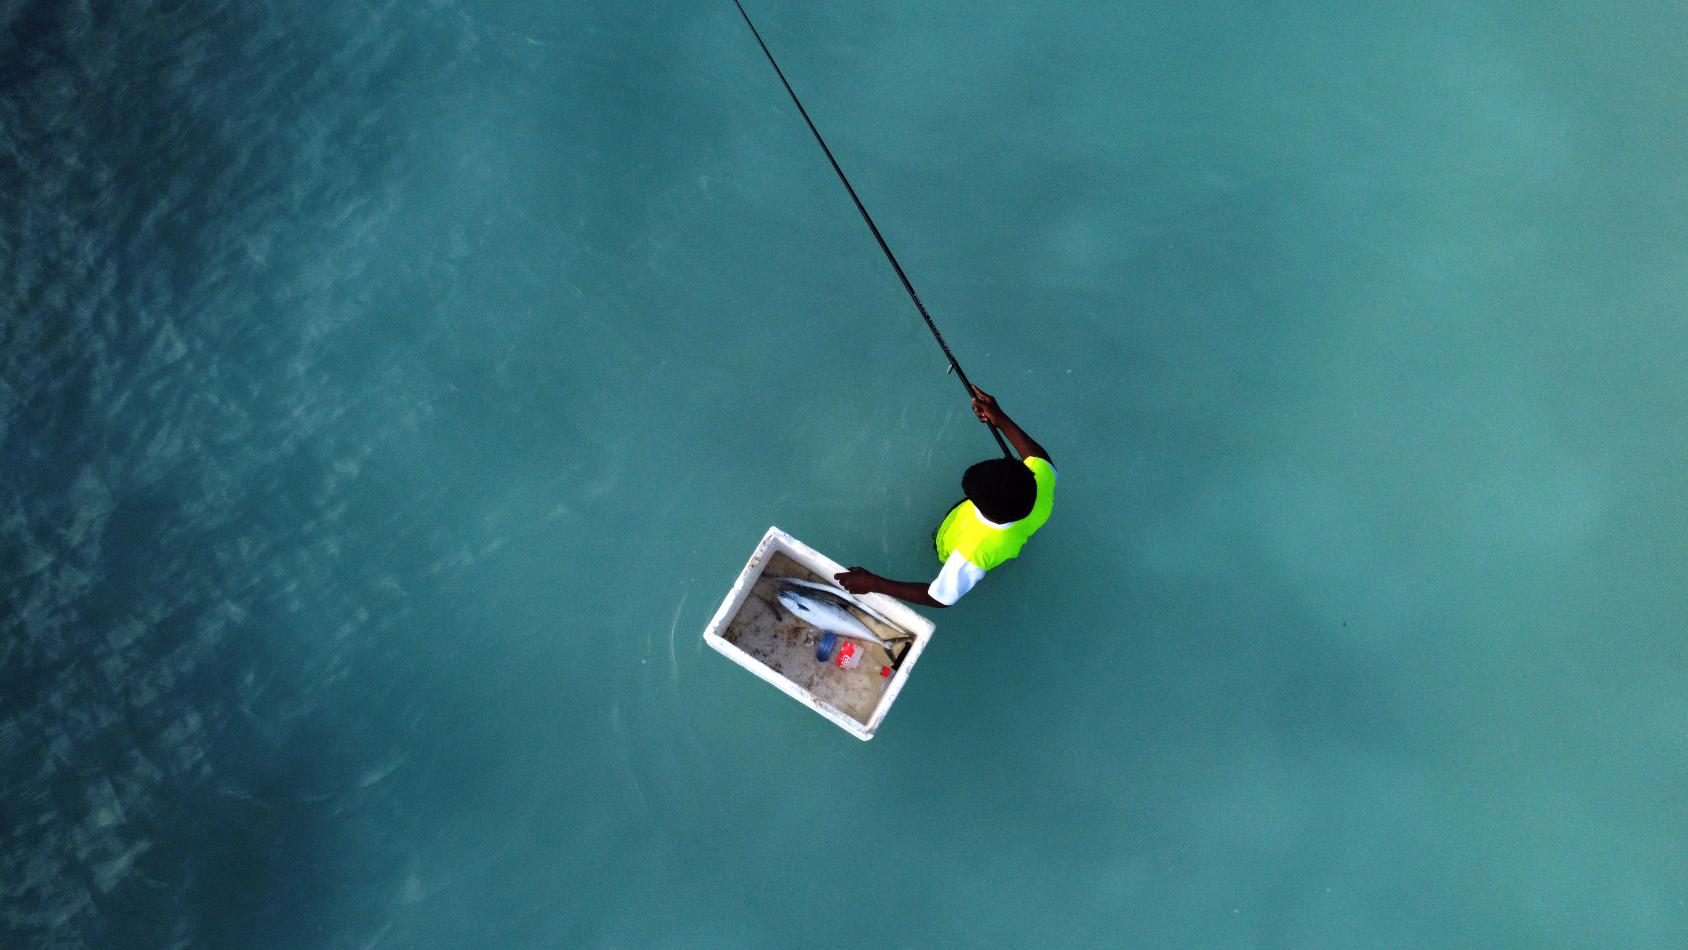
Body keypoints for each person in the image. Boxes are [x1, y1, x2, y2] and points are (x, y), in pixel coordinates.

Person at [835, 386, 1055, 608]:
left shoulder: (972, 552)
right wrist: (999, 418)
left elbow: (939, 598)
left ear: (982, 508)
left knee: (937, 544)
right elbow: (1037, 456)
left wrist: (874, 583)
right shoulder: (1041, 479)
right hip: (1012, 537)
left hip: (952, 542)